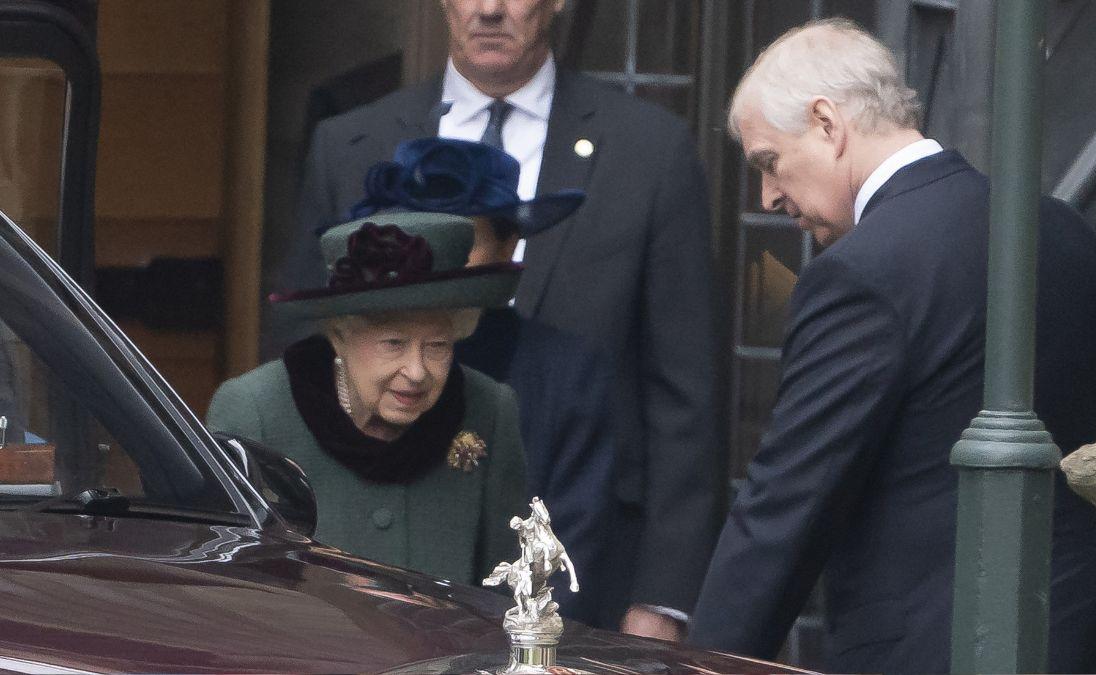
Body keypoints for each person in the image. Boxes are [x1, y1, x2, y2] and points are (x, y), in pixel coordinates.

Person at [686, 19, 1096, 674]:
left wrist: (703, 665)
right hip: (1091, 644)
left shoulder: (860, 272)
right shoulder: (1071, 233)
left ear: (827, 122)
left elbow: (784, 506)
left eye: (769, 162)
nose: (768, 196)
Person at [273, 0, 720, 639]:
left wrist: (664, 597)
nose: (488, 9)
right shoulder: (349, 142)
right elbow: (302, 354)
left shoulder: (651, 151)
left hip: (580, 551)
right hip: (372, 556)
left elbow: (686, 391)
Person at [352, 136, 618, 625]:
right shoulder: (335, 363)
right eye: (415, 236)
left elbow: (567, 555)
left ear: (508, 245)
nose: (431, 257)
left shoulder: (568, 376)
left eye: (459, 239)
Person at [208, 212, 527, 586]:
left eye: (437, 346)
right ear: (340, 337)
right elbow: (226, 589)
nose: (417, 371)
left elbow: (510, 592)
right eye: (394, 343)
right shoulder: (255, 411)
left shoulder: (489, 408)